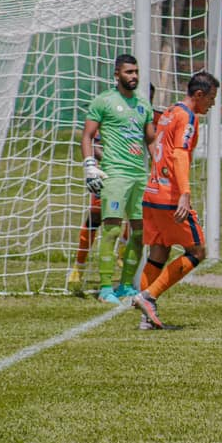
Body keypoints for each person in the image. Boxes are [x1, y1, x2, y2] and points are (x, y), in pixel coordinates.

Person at [131, 72, 220, 330]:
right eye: (211, 99)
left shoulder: (170, 112)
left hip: (152, 191)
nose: (212, 105)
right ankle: (148, 296)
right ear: (199, 95)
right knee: (197, 251)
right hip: (170, 195)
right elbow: (180, 154)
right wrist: (185, 193)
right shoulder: (187, 117)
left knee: (159, 250)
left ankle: (146, 318)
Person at [80, 54, 156, 305]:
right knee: (112, 229)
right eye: (128, 72)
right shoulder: (104, 101)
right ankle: (104, 288)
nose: (133, 76)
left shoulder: (144, 104)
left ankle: (124, 285)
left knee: (139, 233)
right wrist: (90, 166)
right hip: (115, 174)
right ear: (117, 75)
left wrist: (160, 168)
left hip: (138, 176)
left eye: (136, 72)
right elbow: (87, 136)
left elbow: (151, 140)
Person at [68, 133, 104, 289]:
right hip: (106, 169)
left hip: (131, 169)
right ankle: (79, 266)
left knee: (136, 216)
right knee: (95, 216)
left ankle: (123, 254)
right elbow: (93, 143)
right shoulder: (104, 112)